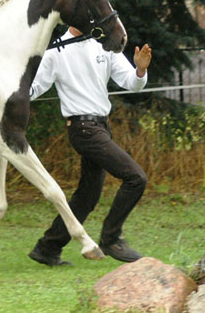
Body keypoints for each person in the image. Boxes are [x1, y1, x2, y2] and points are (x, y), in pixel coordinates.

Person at [28, 26, 152, 266]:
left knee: (88, 195)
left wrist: (140, 69)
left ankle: (48, 248)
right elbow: (34, 89)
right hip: (84, 129)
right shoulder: (56, 50)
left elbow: (131, 83)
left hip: (102, 127)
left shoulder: (105, 44)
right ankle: (111, 238)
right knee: (136, 178)